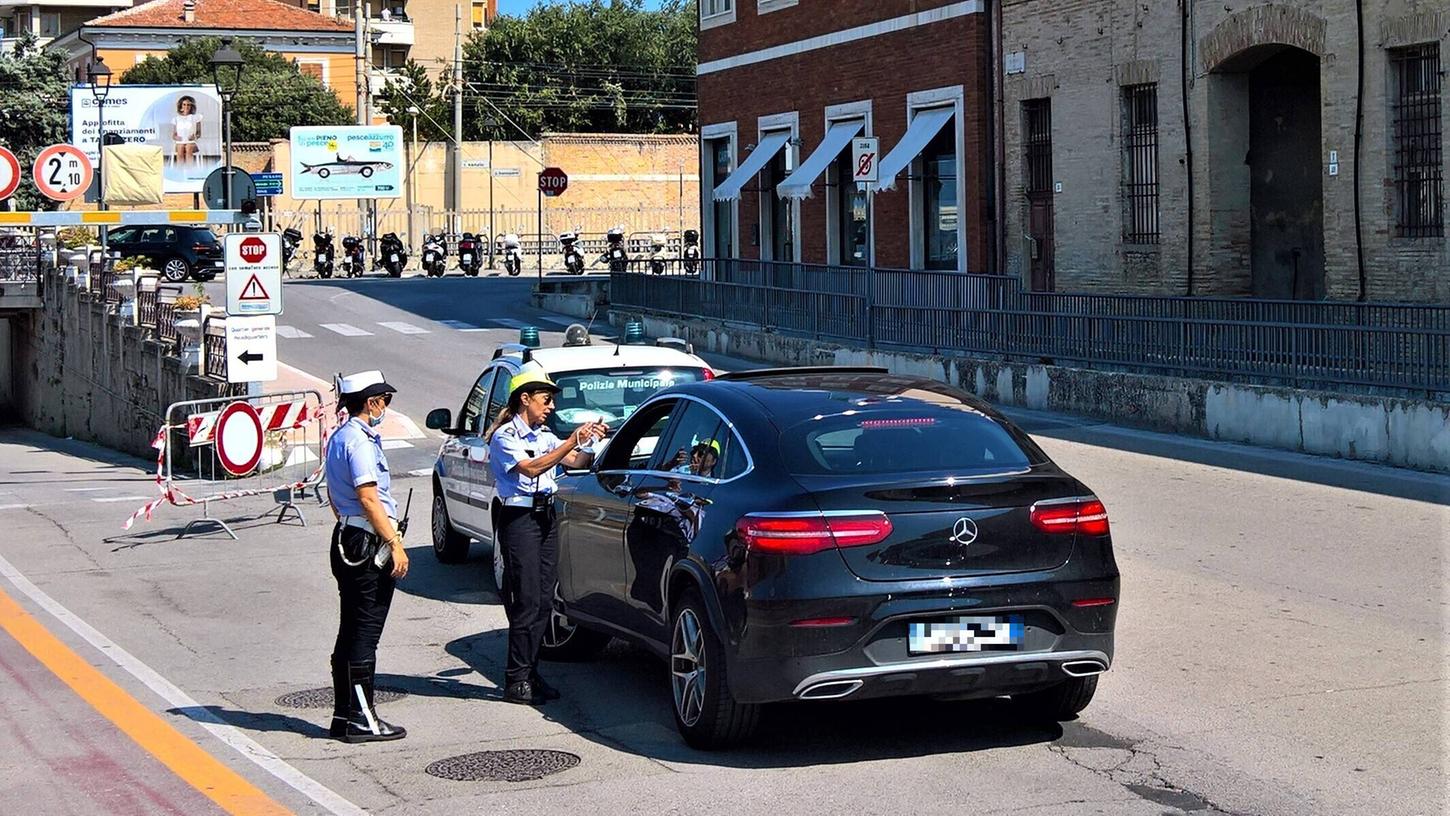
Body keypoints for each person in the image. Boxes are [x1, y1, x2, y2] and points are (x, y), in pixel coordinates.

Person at [485, 361, 607, 705]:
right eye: (545, 399)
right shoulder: (505, 437)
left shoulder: (544, 436)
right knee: (524, 601)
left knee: (543, 600)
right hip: (519, 519)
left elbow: (576, 464)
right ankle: (516, 678)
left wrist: (591, 442)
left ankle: (531, 671)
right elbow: (532, 467)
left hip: (545, 516)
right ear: (525, 399)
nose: (551, 407)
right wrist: (572, 440)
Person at [324, 371, 410, 743]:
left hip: (348, 534)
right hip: (366, 542)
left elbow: (333, 495)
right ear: (372, 402)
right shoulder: (359, 442)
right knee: (364, 634)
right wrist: (394, 543)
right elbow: (369, 497)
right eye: (384, 402)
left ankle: (344, 715)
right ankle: (361, 718)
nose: (386, 409)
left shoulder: (339, 438)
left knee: (351, 631)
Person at [171, 96, 201, 167]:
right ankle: (179, 172)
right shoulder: (176, 119)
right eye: (184, 104)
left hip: (191, 142)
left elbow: (199, 133)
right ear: (181, 106)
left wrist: (194, 136)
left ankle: (189, 172)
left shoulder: (196, 117)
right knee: (180, 147)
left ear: (191, 106)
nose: (186, 107)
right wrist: (176, 137)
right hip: (180, 142)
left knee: (188, 147)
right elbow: (173, 135)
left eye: (188, 105)